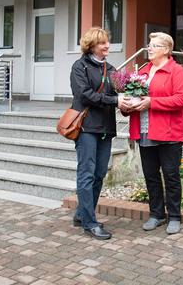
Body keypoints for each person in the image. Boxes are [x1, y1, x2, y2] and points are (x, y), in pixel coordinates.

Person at [127, 32, 183, 235]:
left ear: (166, 50)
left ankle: (174, 216)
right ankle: (156, 214)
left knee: (171, 176)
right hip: (145, 130)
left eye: (154, 45)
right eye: (149, 44)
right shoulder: (143, 71)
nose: (149, 48)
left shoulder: (176, 71)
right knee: (151, 176)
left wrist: (152, 102)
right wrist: (127, 106)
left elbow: (182, 100)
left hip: (169, 133)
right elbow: (134, 96)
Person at [70, 27, 129, 240]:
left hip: (105, 128)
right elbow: (84, 95)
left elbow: (118, 94)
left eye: (107, 42)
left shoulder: (111, 69)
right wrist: (114, 101)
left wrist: (129, 100)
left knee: (99, 174)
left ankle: (81, 214)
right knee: (86, 173)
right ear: (92, 45)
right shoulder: (80, 67)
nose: (107, 46)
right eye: (103, 43)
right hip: (86, 127)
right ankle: (89, 222)